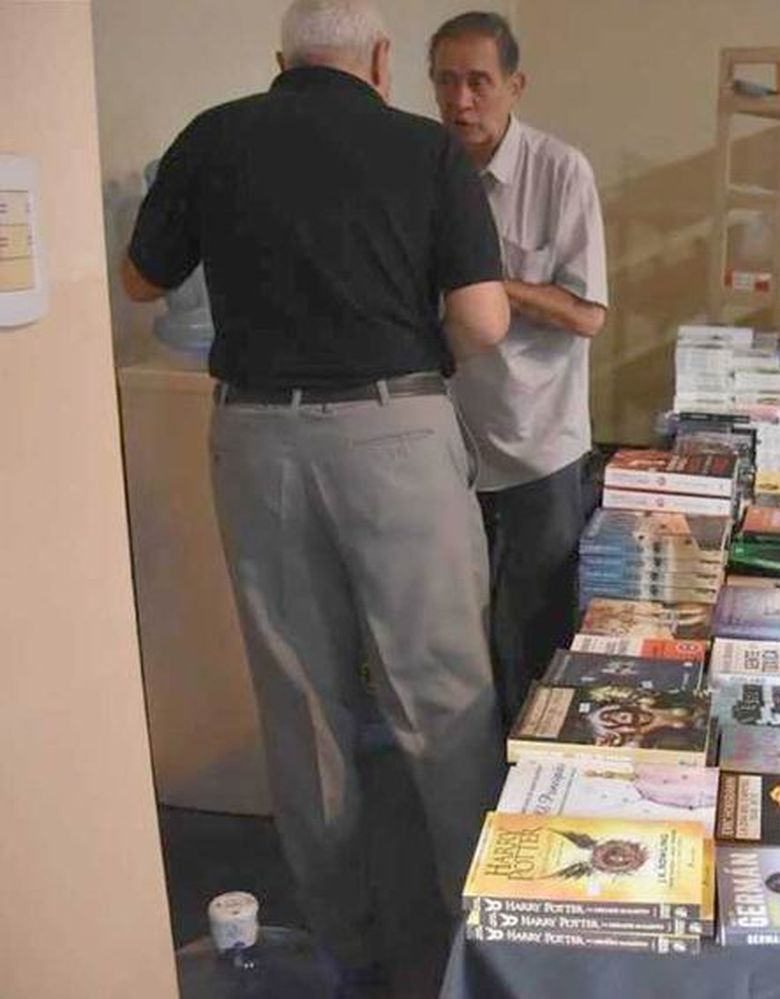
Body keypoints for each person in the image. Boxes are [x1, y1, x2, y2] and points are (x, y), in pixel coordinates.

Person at [121, 0, 508, 983]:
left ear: (278, 61)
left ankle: (346, 946)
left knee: (302, 703)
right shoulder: (427, 151)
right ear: (380, 60)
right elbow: (485, 322)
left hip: (259, 436)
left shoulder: (215, 134)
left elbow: (138, 279)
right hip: (398, 429)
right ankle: (479, 942)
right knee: (445, 695)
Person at [429, 11, 610, 724]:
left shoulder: (560, 171)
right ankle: (467, 778)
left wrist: (487, 282)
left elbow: (588, 314)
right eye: (447, 81)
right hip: (445, 443)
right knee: (453, 629)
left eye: (479, 81)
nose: (462, 100)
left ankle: (532, 780)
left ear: (515, 85)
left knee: (537, 630)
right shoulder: (423, 166)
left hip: (540, 443)